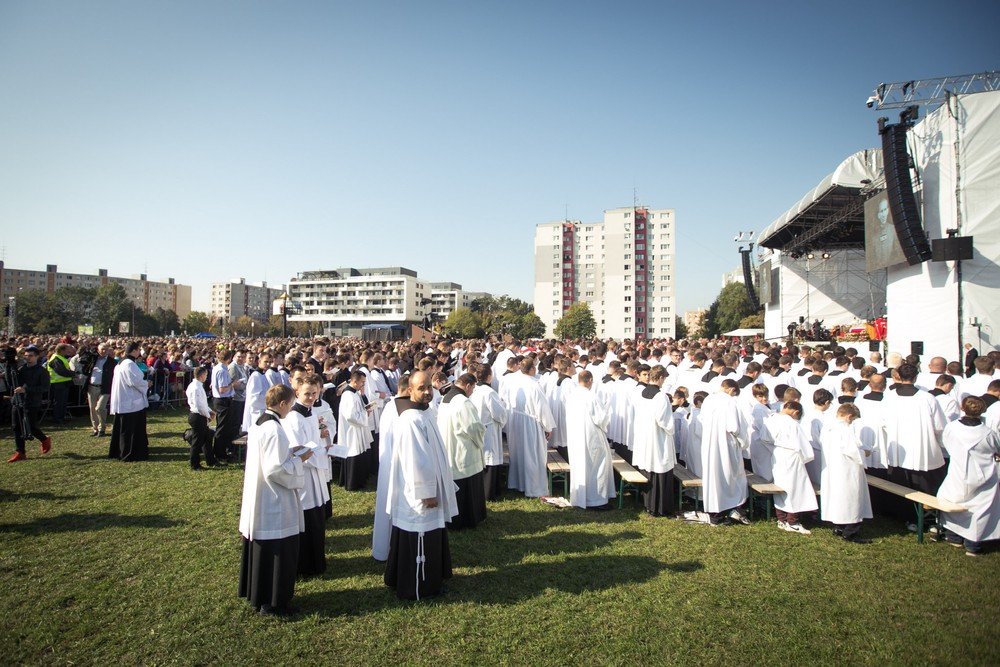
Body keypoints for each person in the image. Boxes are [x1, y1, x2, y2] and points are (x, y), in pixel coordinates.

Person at [384, 371, 458, 600]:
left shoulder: (424, 412)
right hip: (418, 495)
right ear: (410, 390)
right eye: (421, 388)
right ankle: (419, 587)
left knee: (432, 534)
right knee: (420, 535)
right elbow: (416, 460)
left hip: (431, 485)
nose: (427, 392)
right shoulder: (410, 420)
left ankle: (431, 581)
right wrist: (427, 493)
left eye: (429, 387)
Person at [238, 384, 309, 616]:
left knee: (265, 550)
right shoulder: (274, 429)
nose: (290, 409)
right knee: (278, 550)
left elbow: (271, 456)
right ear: (282, 404)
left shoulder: (261, 422)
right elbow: (275, 470)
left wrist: (290, 451)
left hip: (260, 495)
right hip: (273, 498)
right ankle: (274, 602)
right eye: (289, 405)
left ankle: (262, 596)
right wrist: (300, 460)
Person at [937, 396, 1000, 556]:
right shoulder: (988, 433)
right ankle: (973, 544)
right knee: (980, 511)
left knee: (953, 500)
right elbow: (997, 448)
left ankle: (953, 536)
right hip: (982, 476)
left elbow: (946, 443)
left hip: (958, 473)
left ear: (962, 408)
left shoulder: (951, 428)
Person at [283, 374, 331, 576]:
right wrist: (322, 455)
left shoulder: (310, 413)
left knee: (317, 517)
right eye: (307, 394)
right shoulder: (293, 417)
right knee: (307, 517)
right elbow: (298, 449)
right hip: (305, 473)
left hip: (316, 472)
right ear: (297, 393)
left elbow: (315, 441)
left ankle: (317, 560)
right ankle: (305, 564)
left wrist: (326, 445)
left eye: (314, 393)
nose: (311, 397)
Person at [437, 373, 487, 529]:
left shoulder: (446, 399)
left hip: (449, 446)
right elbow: (472, 427)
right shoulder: (463, 402)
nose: (472, 392)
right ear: (468, 386)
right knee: (467, 487)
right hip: (462, 449)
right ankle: (468, 518)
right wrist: (482, 432)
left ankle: (454, 518)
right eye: (473, 388)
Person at [699, 379, 751, 525]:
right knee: (731, 476)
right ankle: (732, 509)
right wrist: (743, 441)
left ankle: (716, 512)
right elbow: (734, 426)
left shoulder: (709, 399)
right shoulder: (730, 402)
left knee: (714, 476)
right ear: (732, 390)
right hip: (725, 444)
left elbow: (702, 419)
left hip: (710, 443)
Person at [820, 403, 873, 543]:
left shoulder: (828, 427)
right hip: (847, 470)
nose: (853, 422)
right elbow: (852, 450)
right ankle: (851, 531)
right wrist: (865, 452)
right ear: (849, 416)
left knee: (839, 499)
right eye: (853, 419)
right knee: (851, 498)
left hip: (833, 468)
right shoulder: (844, 429)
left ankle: (839, 526)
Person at [762, 401, 817, 534]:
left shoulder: (771, 419)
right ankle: (793, 521)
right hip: (792, 455)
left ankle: (782, 519)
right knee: (795, 488)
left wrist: (775, 449)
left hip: (778, 454)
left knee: (781, 486)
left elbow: (764, 438)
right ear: (795, 412)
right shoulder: (792, 423)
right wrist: (806, 458)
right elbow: (803, 444)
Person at [565, 370, 616, 510]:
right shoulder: (591, 397)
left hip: (576, 437)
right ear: (590, 381)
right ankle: (596, 500)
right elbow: (601, 419)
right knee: (597, 466)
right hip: (591, 437)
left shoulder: (572, 396)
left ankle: (580, 496)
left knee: (581, 466)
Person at [505, 357, 555, 498]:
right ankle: (534, 488)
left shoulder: (514, 382)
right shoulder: (534, 385)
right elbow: (542, 408)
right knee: (533, 456)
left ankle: (518, 483)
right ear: (532, 369)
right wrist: (547, 427)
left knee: (519, 453)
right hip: (530, 424)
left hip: (517, 421)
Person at [630, 365, 676, 516]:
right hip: (658, 436)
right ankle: (659, 507)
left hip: (644, 434)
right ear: (661, 377)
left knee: (649, 468)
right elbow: (664, 420)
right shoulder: (661, 396)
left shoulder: (641, 392)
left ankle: (648, 503)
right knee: (658, 466)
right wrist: (671, 428)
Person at [469, 363, 508, 501]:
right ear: (489, 376)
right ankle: (489, 492)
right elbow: (498, 413)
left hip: (478, 427)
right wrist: (503, 414)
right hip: (489, 428)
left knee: (483, 458)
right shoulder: (489, 392)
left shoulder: (474, 390)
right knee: (490, 458)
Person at [7, 345, 51, 462]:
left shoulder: (42, 371)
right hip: (18, 401)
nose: (28, 358)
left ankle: (44, 439)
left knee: (31, 427)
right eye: (26, 356)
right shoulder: (22, 369)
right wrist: (9, 365)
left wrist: (27, 389)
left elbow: (45, 387)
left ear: (37, 356)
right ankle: (20, 451)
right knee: (16, 427)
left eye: (31, 356)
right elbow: (11, 382)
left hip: (32, 402)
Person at [108, 342, 151, 462]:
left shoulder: (121, 362)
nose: (139, 353)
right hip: (130, 401)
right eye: (138, 350)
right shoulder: (129, 364)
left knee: (123, 428)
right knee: (129, 430)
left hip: (125, 399)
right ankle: (130, 452)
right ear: (134, 350)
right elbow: (136, 382)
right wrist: (146, 384)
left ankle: (119, 450)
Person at [336, 370, 373, 490]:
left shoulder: (355, 393)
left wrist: (365, 408)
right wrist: (364, 415)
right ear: (355, 381)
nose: (363, 385)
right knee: (353, 452)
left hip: (357, 428)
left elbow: (360, 406)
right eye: (362, 382)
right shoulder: (348, 395)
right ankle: (353, 483)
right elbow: (350, 416)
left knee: (359, 452)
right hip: (351, 430)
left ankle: (360, 479)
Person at [186, 366, 220, 470]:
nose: (206, 376)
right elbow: (198, 405)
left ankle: (210, 460)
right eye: (205, 374)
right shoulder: (196, 387)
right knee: (197, 441)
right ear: (202, 375)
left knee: (207, 437)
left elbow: (203, 404)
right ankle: (194, 464)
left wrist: (210, 411)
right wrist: (208, 415)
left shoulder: (198, 386)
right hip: (197, 416)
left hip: (200, 414)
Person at [211, 349, 242, 462]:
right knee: (222, 428)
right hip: (223, 400)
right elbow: (222, 389)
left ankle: (221, 450)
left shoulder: (217, 368)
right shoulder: (222, 370)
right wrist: (233, 384)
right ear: (229, 358)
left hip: (221, 400)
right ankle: (219, 452)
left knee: (224, 426)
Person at [86, 343, 116, 437]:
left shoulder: (112, 362)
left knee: (100, 408)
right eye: (102, 349)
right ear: (98, 350)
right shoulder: (93, 359)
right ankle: (95, 429)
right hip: (92, 387)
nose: (104, 351)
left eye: (106, 349)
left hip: (104, 388)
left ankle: (101, 428)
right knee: (93, 409)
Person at [47, 343, 77, 424]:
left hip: (63, 383)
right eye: (66, 350)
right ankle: (58, 419)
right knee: (59, 402)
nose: (67, 352)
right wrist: (73, 374)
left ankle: (61, 417)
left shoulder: (60, 357)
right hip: (58, 384)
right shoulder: (56, 359)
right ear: (62, 350)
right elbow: (61, 371)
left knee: (62, 402)